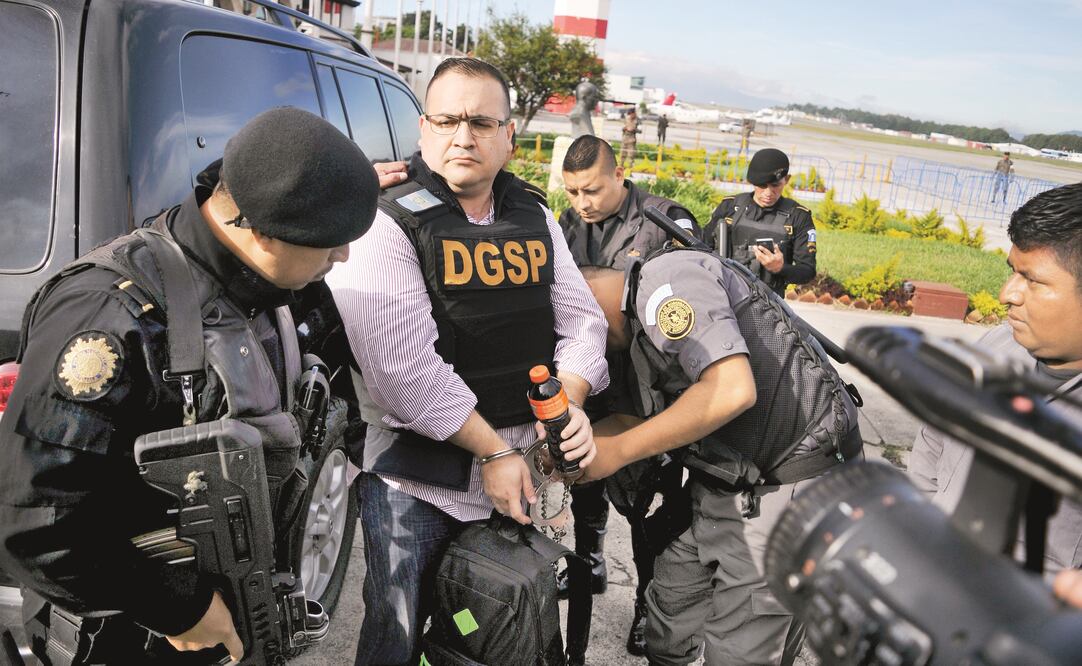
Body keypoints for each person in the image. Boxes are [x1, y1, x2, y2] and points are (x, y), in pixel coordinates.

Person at [0, 107, 380, 664]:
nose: (342, 256)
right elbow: (30, 521)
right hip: (128, 635)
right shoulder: (111, 315)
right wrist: (176, 606)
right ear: (267, 230)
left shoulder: (263, 280)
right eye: (331, 241)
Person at [325, 57, 608, 666]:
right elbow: (401, 374)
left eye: (481, 122)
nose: (463, 137)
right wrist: (495, 451)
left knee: (492, 634)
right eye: (448, 119)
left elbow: (583, 323)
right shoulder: (387, 220)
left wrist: (569, 405)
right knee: (395, 632)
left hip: (518, 476)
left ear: (510, 136)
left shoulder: (533, 217)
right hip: (419, 482)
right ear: (423, 129)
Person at [577, 246, 862, 666]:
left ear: (579, 298)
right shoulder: (631, 335)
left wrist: (617, 452)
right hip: (723, 484)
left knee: (742, 649)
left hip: (789, 486)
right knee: (668, 619)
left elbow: (730, 389)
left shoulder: (664, 283)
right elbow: (630, 419)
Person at [557, 134, 700, 657]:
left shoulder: (666, 222)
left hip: (645, 388)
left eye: (592, 189)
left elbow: (687, 306)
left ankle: (647, 602)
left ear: (620, 175)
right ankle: (589, 564)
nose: (582, 202)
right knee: (585, 485)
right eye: (572, 192)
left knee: (647, 507)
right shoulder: (567, 225)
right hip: (590, 379)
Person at [909, 182, 1082, 578]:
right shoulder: (997, 347)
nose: (1007, 295)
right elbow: (935, 434)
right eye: (1012, 272)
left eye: (1032, 280)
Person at [704, 148, 816, 297]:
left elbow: (808, 271)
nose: (768, 193)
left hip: (768, 304)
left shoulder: (798, 216)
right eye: (762, 186)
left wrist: (780, 268)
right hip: (725, 295)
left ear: (787, 180)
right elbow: (702, 248)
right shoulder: (729, 207)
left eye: (775, 185)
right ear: (753, 182)